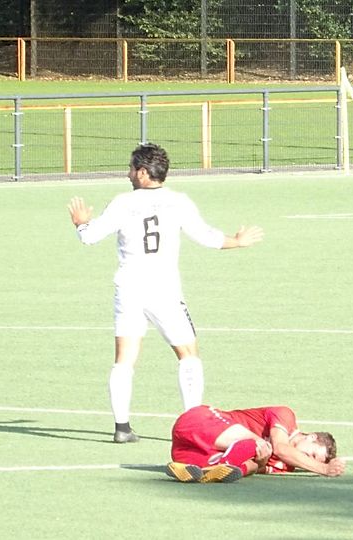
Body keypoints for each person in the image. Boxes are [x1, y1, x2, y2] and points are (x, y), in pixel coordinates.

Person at [67, 143, 264, 444]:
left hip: (129, 288)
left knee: (124, 360)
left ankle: (122, 427)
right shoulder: (178, 202)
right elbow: (206, 237)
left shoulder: (123, 203)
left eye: (131, 168)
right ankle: (194, 425)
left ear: (143, 173)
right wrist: (237, 241)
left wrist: (81, 223)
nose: (128, 174)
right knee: (188, 355)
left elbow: (90, 237)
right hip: (164, 290)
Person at [165, 404, 347, 483]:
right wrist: (323, 469)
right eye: (313, 454)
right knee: (259, 444)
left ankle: (202, 471)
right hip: (199, 421)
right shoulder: (286, 416)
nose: (308, 459)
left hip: (188, 450)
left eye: (312, 461)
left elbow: (256, 467)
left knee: (251, 466)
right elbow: (281, 449)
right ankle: (220, 465)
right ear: (312, 437)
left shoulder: (284, 467)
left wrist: (260, 463)